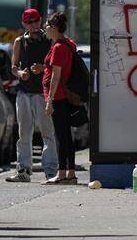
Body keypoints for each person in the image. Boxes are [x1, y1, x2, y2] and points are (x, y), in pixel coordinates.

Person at [5, 8, 57, 182]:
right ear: (24, 24)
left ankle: (50, 171)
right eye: (30, 22)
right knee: (24, 134)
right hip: (25, 92)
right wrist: (20, 74)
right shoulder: (20, 41)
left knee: (47, 133)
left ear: (40, 20)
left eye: (36, 21)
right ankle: (23, 170)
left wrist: (43, 68)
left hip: (43, 93)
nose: (34, 25)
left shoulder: (48, 40)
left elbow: (55, 65)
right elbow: (13, 66)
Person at [41, 11, 78, 185]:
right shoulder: (68, 43)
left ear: (54, 28)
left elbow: (56, 76)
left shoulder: (58, 47)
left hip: (58, 97)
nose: (45, 29)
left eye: (47, 26)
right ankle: (70, 172)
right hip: (63, 96)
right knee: (66, 136)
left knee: (61, 137)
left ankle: (62, 173)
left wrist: (50, 101)